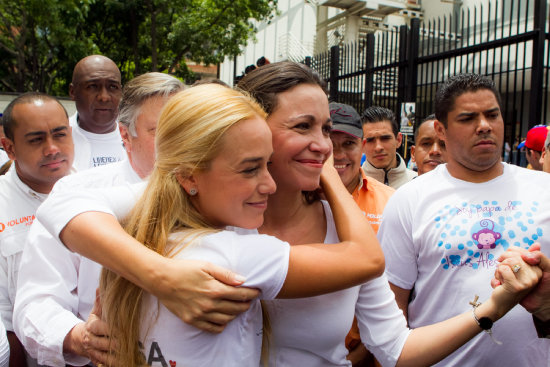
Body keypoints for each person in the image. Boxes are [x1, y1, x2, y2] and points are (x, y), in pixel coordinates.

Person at [38, 63, 541, 367]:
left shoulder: (342, 230)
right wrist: (164, 277)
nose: (324, 144)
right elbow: (62, 205)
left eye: (327, 128)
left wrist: (490, 308)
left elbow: (397, 350)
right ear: (249, 128)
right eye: (304, 126)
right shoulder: (191, 206)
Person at [40, 84, 384, 366]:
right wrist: (330, 174)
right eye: (250, 168)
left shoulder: (149, 224)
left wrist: (154, 272)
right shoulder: (233, 256)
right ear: (189, 175)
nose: (270, 184)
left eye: (267, 164)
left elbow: (63, 203)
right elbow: (367, 259)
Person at [13, 73, 185, 366]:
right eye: (160, 131)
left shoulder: (219, 194)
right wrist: (80, 337)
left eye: (186, 130)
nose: (179, 143)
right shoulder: (75, 194)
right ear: (124, 134)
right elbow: (36, 302)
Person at [380, 73, 550, 366]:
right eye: (468, 118)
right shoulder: (409, 201)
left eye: (492, 115)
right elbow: (391, 317)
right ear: (441, 130)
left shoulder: (543, 190)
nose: (484, 126)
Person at [0, 93, 74, 365]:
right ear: (9, 148)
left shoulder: (98, 191)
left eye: (60, 134)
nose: (52, 148)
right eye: (36, 139)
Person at [329, 102, 395, 365]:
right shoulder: (295, 200)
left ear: (362, 147)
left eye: (348, 144)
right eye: (331, 144)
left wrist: (365, 352)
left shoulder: (391, 203)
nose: (338, 154)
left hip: (373, 351)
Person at [69, 55, 126, 170]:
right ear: (73, 92)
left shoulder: (138, 136)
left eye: (112, 87)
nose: (104, 97)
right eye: (92, 86)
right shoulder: (55, 140)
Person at [361, 106, 416, 189]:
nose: (378, 147)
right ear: (362, 145)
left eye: (385, 138)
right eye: (370, 140)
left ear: (398, 140)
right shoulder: (350, 186)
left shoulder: (417, 182)